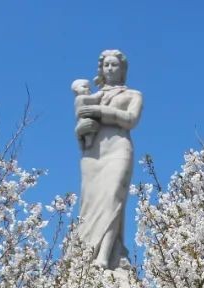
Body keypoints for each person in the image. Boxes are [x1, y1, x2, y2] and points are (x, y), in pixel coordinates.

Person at [74, 49, 143, 271]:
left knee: (113, 198)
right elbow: (82, 129)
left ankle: (104, 257)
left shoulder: (133, 94)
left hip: (118, 149)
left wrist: (101, 112)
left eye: (115, 65)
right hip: (93, 154)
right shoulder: (90, 98)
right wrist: (81, 130)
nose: (111, 69)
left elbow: (131, 119)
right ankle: (85, 254)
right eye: (107, 65)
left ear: (122, 70)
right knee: (91, 203)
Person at [71, 79, 101, 150]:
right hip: (84, 120)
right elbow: (95, 99)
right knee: (88, 130)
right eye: (84, 87)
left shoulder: (83, 98)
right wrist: (100, 93)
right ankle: (87, 142)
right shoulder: (80, 98)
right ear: (76, 90)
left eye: (89, 88)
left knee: (89, 134)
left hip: (86, 121)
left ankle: (87, 143)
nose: (88, 89)